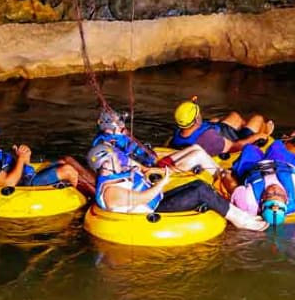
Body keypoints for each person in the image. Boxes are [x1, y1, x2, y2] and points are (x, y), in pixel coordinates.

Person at [91, 145, 267, 231]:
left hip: (157, 200)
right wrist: (163, 181)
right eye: (114, 159)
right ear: (105, 163)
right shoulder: (111, 192)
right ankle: (241, 220)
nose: (118, 160)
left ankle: (238, 213)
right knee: (201, 192)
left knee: (199, 185)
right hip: (155, 207)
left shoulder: (111, 176)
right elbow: (144, 198)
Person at [87, 106, 224, 179]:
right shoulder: (111, 151)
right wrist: (155, 170)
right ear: (110, 129)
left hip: (153, 164)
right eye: (120, 125)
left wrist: (127, 135)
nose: (124, 126)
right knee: (197, 156)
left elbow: (138, 152)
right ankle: (222, 177)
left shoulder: (115, 137)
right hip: (153, 173)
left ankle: (221, 172)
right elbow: (136, 167)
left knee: (196, 148)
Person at [229, 140, 295, 227]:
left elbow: (232, 185)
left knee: (249, 148)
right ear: (286, 199)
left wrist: (225, 174)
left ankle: (255, 148)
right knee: (277, 144)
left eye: (270, 194)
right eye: (279, 194)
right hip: (283, 163)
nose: (274, 189)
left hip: (252, 168)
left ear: (262, 199)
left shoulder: (248, 201)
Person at [0, 120, 81, 189]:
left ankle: (89, 185)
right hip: (26, 187)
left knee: (65, 161)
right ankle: (85, 201)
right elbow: (9, 183)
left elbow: (16, 171)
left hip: (26, 179)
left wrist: (25, 157)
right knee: (68, 170)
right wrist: (20, 159)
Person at [170, 98, 274, 158]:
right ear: (197, 119)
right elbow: (234, 147)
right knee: (258, 119)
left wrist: (211, 123)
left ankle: (246, 126)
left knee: (235, 115)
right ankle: (266, 130)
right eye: (198, 114)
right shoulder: (209, 138)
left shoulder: (179, 131)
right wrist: (255, 137)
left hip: (218, 131)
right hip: (231, 140)